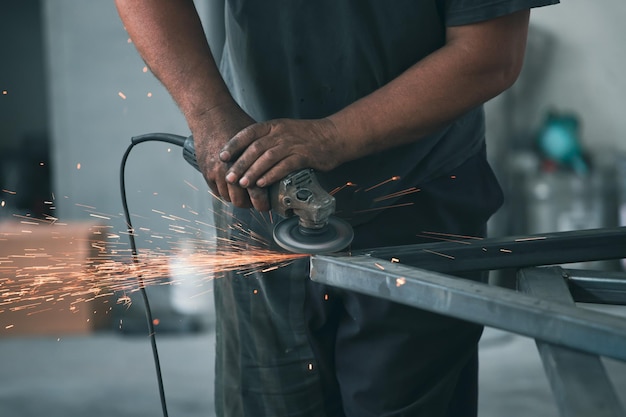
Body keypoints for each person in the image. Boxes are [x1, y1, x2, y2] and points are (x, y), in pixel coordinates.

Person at [115, 1, 558, 416]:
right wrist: (210, 115)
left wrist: (331, 136)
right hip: (256, 197)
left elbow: (489, 54)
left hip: (420, 198)